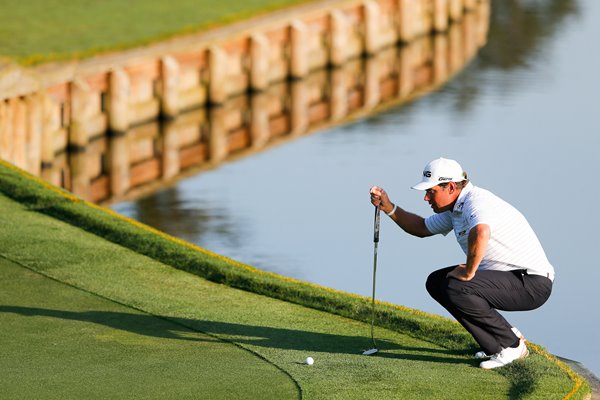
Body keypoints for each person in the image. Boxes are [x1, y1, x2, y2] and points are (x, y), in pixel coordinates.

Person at [369, 157, 554, 369]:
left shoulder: (476, 201)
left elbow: (481, 231)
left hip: (531, 282)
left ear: (450, 187)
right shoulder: (455, 208)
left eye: (431, 191)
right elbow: (421, 228)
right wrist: (389, 207)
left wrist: (469, 271)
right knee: (437, 282)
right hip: (511, 279)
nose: (426, 198)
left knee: (458, 286)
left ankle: (511, 345)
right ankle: (495, 346)